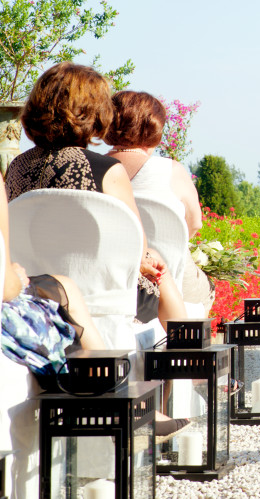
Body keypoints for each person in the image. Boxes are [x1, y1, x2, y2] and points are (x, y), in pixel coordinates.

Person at [4, 63, 188, 333]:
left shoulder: (16, 167)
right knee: (159, 265)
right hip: (103, 299)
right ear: (95, 112)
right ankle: (185, 352)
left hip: (38, 292)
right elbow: (137, 248)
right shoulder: (107, 170)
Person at [105, 90, 213, 314]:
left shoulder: (90, 168)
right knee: (207, 288)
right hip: (168, 279)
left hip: (110, 284)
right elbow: (193, 226)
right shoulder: (171, 171)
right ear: (154, 128)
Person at [2, 171, 107, 375]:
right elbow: (6, 289)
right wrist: (14, 276)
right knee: (64, 287)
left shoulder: (18, 167)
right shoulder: (105, 169)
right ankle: (103, 388)